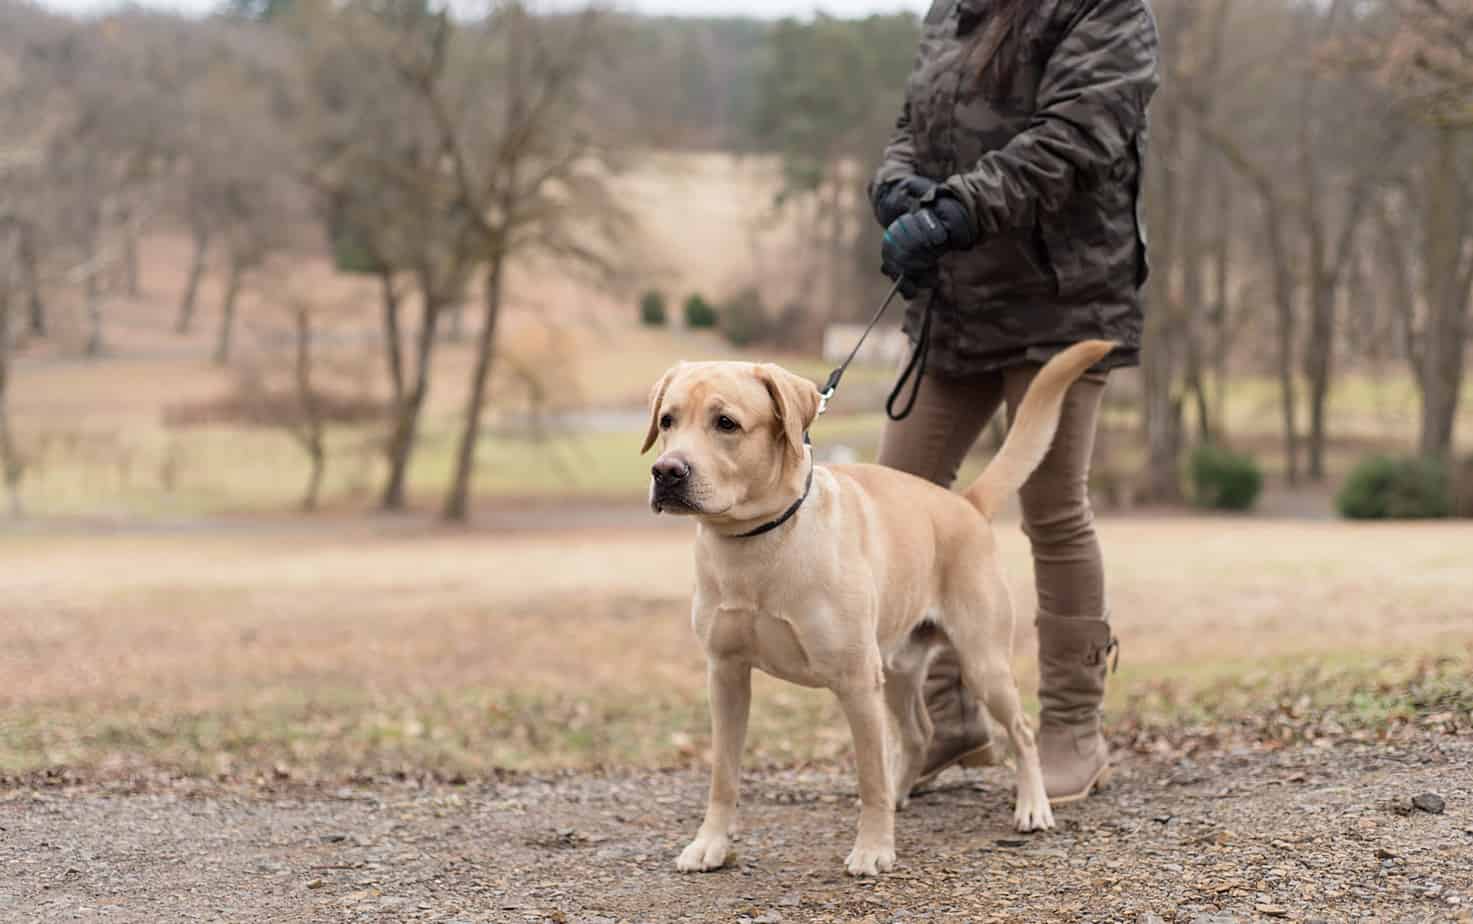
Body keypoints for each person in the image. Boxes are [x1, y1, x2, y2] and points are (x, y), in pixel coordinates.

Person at [867, 0, 1160, 803]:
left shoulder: (1106, 12)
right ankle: (945, 721)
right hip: (957, 302)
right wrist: (894, 187)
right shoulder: (954, 9)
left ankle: (1072, 726)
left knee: (1051, 510)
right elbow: (914, 120)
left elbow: (1074, 140)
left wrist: (956, 209)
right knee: (904, 504)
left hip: (1062, 295)